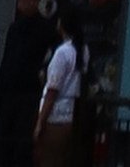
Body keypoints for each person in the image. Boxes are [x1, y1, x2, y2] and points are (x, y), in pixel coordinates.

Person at [0, 0, 56, 167]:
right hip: (7, 95)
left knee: (22, 148)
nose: (28, 3)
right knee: (5, 146)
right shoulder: (14, 28)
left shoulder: (45, 29)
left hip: (28, 96)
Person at [32, 19, 81, 167]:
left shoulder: (62, 52)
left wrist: (40, 122)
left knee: (48, 159)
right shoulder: (80, 50)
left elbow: (53, 90)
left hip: (56, 115)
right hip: (71, 112)